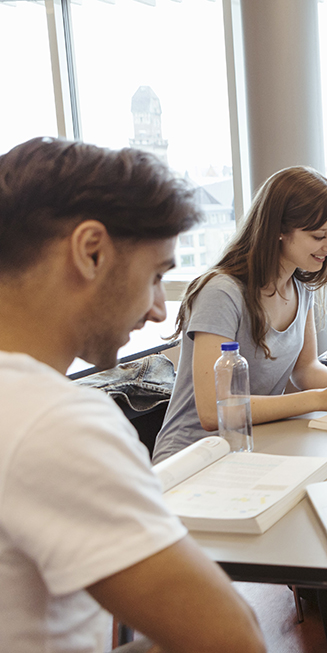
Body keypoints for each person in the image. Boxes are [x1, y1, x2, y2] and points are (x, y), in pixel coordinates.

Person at [0, 136, 265, 652]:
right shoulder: (54, 421)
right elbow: (234, 642)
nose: (159, 311)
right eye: (156, 276)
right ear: (90, 250)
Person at [150, 166, 327, 653]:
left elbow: (306, 369)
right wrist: (322, 400)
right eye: (318, 234)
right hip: (197, 462)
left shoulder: (301, 285)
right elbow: (212, 409)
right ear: (280, 229)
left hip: (256, 448)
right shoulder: (222, 292)